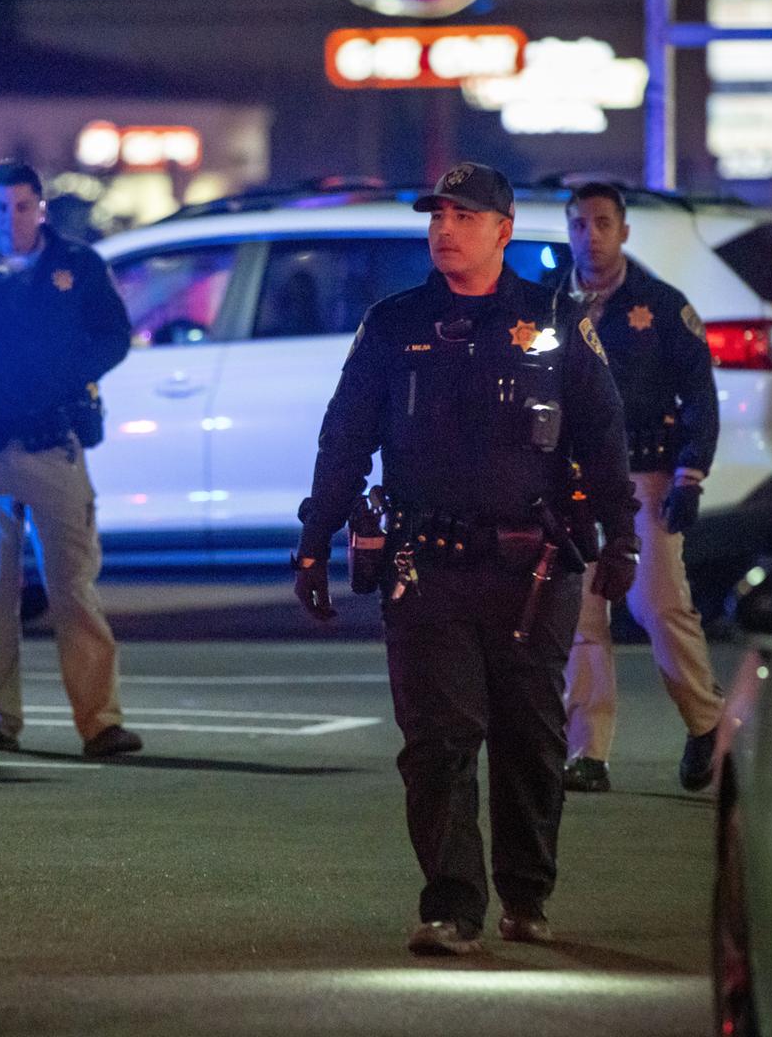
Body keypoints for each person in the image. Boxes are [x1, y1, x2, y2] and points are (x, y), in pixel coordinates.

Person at [294, 162, 638, 956]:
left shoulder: (556, 320)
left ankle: (526, 895)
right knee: (439, 741)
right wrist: (316, 543)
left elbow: (604, 436)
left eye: (464, 216)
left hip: (532, 568)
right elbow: (345, 438)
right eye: (437, 216)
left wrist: (620, 537)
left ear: (503, 231)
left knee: (529, 738)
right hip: (426, 565)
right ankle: (452, 905)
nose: (445, 230)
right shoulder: (394, 323)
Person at [0, 161, 142, 758]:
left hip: (54, 439)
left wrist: (61, 380)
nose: (10, 220)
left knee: (74, 587)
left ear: (39, 207)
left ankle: (99, 722)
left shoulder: (77, 264)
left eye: (21, 207)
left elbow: (114, 337)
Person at [551, 182, 723, 794]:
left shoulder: (661, 307)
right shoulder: (549, 306)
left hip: (643, 475)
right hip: (571, 481)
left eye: (602, 223)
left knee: (657, 603)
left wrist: (690, 474)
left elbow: (699, 395)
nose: (589, 236)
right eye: (579, 224)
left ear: (624, 231)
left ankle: (706, 722)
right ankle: (587, 752)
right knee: (581, 614)